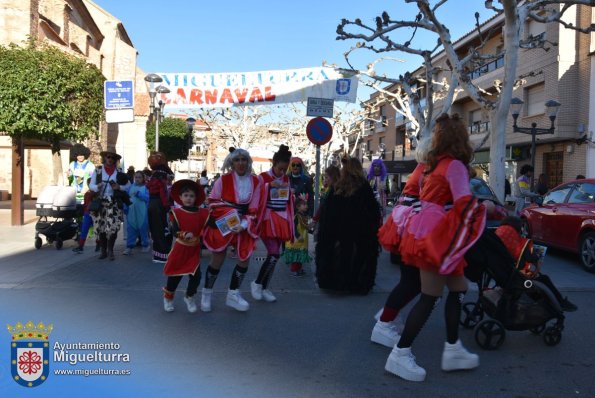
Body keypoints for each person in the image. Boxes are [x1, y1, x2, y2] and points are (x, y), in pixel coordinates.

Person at [385, 114, 486, 382]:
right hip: (437, 235)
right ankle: (400, 353)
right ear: (462, 140)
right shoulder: (454, 166)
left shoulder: (433, 165)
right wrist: (491, 209)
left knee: (458, 288)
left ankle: (453, 348)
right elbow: (464, 201)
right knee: (430, 297)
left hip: (426, 230)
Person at [373, 138, 432, 347]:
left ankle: (387, 315)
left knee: (411, 281)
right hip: (412, 228)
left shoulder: (422, 168)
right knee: (413, 282)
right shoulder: (427, 171)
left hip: (406, 225)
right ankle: (384, 321)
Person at [201, 148, 263, 312]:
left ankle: (233, 294)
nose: (241, 163)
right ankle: (206, 293)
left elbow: (255, 208)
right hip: (225, 222)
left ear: (248, 162)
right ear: (232, 163)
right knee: (218, 258)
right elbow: (213, 201)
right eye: (237, 160)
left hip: (244, 225)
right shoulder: (223, 180)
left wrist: (243, 225)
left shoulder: (256, 182)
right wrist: (231, 216)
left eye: (244, 160)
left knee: (244, 259)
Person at [315, 156, 381, 294]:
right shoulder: (364, 188)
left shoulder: (338, 187)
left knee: (342, 256)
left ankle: (338, 282)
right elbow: (373, 212)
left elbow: (329, 214)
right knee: (360, 257)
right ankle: (358, 284)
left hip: (340, 233)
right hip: (361, 233)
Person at [495, 216, 577, 312]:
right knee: (544, 279)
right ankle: (560, 302)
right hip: (514, 277)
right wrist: (537, 259)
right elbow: (530, 258)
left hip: (501, 273)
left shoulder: (498, 233)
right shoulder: (516, 240)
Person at [251, 144, 293, 302]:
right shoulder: (263, 177)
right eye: (280, 169)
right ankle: (256, 283)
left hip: (282, 219)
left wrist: (292, 194)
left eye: (284, 169)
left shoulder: (286, 178)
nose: (282, 172)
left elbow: (287, 198)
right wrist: (269, 186)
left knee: (275, 256)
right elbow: (256, 196)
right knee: (274, 253)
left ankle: (264, 287)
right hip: (267, 219)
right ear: (274, 164)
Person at [162, 180, 209, 313]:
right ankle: (168, 298)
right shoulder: (176, 212)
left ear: (196, 198)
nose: (189, 198)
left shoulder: (203, 213)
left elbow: (212, 225)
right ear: (180, 197)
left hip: (194, 250)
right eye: (186, 195)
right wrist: (183, 234)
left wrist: (228, 223)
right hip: (180, 250)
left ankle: (189, 296)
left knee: (196, 276)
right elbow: (174, 231)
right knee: (175, 276)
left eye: (192, 196)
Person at [89, 151, 130, 261]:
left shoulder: (119, 171)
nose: (110, 159)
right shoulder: (98, 170)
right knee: (101, 227)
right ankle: (103, 251)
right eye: (108, 157)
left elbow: (128, 185)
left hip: (114, 202)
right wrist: (97, 186)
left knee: (114, 227)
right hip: (101, 203)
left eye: (113, 158)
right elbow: (91, 185)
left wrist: (119, 187)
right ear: (104, 158)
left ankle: (110, 249)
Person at [147, 160, 174, 263]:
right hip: (159, 206)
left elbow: (147, 188)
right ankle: (163, 255)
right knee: (162, 230)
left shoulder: (152, 181)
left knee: (155, 230)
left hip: (151, 205)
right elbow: (163, 195)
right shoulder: (161, 182)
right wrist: (167, 206)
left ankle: (157, 255)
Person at [282, 196, 312, 277]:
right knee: (296, 256)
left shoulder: (302, 215)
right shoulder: (296, 216)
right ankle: (294, 270)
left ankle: (299, 269)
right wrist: (298, 236)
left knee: (300, 256)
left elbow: (305, 226)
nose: (306, 206)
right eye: (304, 204)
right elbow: (293, 227)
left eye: (306, 204)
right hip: (296, 241)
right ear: (297, 207)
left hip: (301, 242)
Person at [123, 171, 150, 255]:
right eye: (136, 177)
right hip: (131, 212)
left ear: (143, 178)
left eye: (139, 177)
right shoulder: (131, 187)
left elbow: (148, 199)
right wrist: (125, 207)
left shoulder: (146, 187)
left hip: (142, 212)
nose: (137, 179)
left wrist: (139, 194)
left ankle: (145, 245)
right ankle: (129, 247)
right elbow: (126, 198)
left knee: (143, 228)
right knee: (131, 228)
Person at [72, 178, 98, 254]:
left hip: (94, 214)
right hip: (87, 213)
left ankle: (99, 244)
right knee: (84, 230)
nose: (90, 185)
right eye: (89, 184)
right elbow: (86, 204)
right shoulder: (87, 193)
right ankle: (81, 246)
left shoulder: (96, 193)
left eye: (91, 183)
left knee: (97, 230)